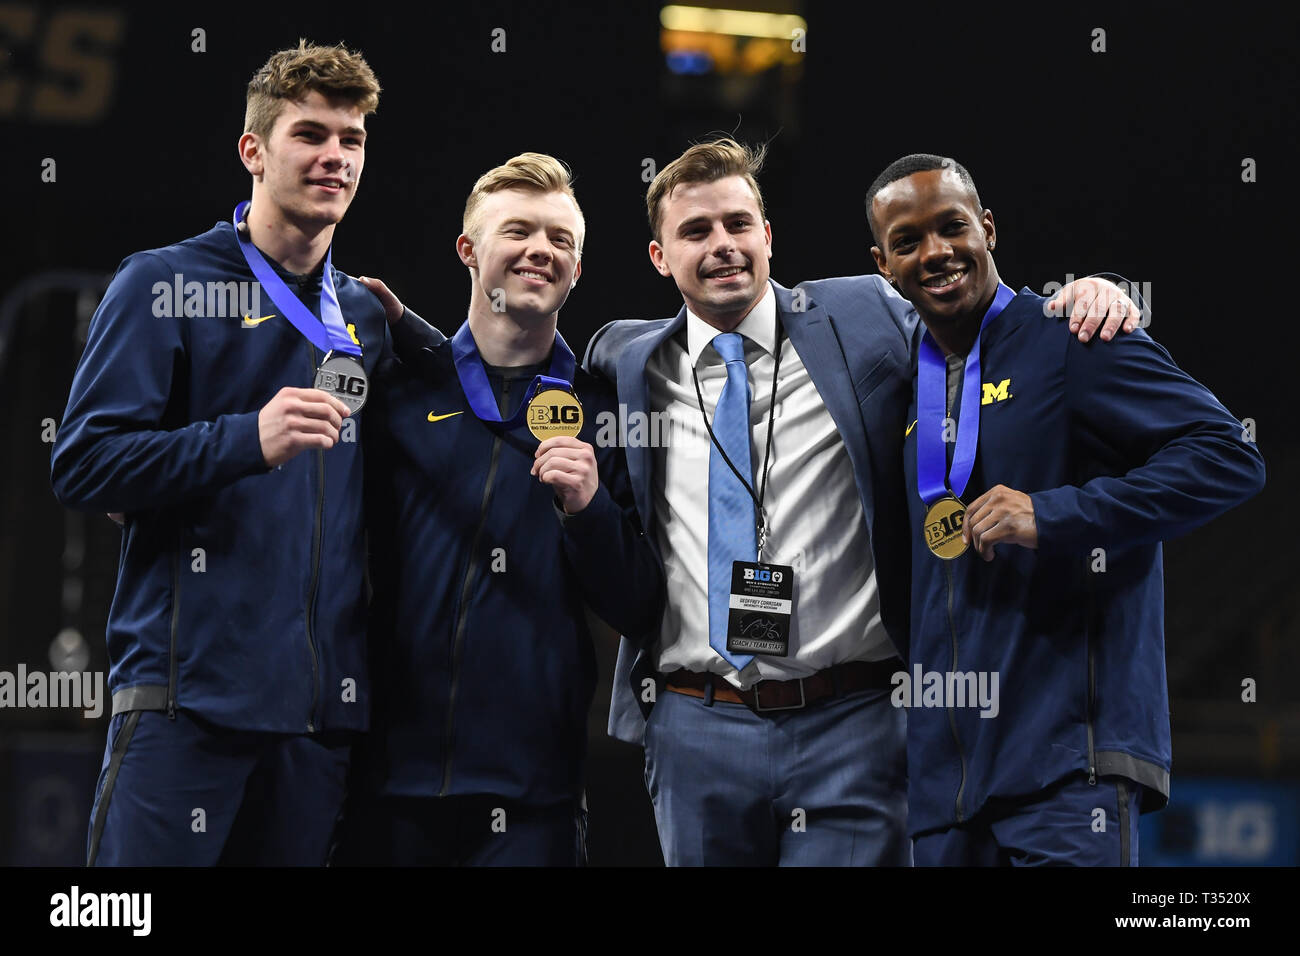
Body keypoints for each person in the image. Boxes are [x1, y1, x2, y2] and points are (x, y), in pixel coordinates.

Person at [583, 137, 1141, 866]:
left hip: (853, 722)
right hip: (696, 722)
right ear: (660, 257)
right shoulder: (624, 360)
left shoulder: (863, 312)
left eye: (738, 224)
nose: (723, 245)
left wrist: (1096, 289)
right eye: (696, 231)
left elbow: (978, 310)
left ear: (768, 236)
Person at [866, 153, 1265, 865]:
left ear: (988, 228)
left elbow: (1227, 455)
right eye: (908, 241)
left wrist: (1056, 516)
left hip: (1066, 771)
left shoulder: (1072, 338)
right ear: (883, 265)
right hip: (944, 796)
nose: (935, 252)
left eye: (952, 226)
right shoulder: (901, 385)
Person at [50, 40, 389, 865]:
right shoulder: (161, 282)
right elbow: (85, 461)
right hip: (184, 705)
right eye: (310, 134)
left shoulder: (366, 318)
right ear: (253, 150)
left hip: (313, 726)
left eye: (352, 140)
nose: (335, 157)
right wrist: (248, 439)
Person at [339, 153, 663, 866]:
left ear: (577, 271)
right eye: (518, 231)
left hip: (531, 799)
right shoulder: (398, 390)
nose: (540, 251)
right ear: (468, 250)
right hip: (382, 780)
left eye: (561, 240)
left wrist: (589, 509)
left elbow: (641, 606)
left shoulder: (602, 413)